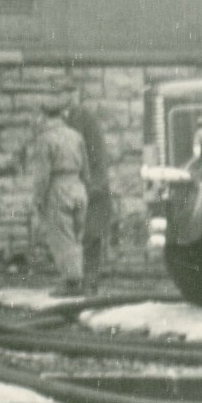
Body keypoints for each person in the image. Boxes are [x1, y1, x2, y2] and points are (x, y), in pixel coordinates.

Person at [28, 91, 90, 297]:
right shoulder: (76, 136)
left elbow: (42, 175)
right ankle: (78, 277)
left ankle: (72, 282)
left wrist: (38, 198)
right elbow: (86, 169)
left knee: (61, 236)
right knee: (76, 234)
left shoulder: (45, 139)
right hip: (77, 186)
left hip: (58, 187)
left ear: (44, 115)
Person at [65, 87, 114, 294]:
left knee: (90, 234)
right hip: (82, 183)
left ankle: (89, 281)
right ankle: (79, 281)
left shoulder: (83, 118)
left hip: (92, 184)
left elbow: (94, 154)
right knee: (77, 234)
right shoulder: (70, 118)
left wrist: (94, 184)